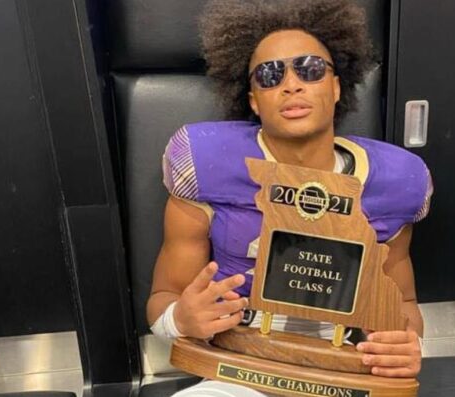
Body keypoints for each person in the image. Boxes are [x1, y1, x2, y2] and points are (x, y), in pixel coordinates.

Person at [147, 0, 433, 395]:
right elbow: (165, 296)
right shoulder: (205, 165)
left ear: (336, 86)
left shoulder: (395, 181)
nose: (291, 83)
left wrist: (407, 343)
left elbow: (403, 303)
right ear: (252, 98)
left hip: (344, 367)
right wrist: (180, 319)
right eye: (269, 75)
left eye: (310, 69)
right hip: (242, 367)